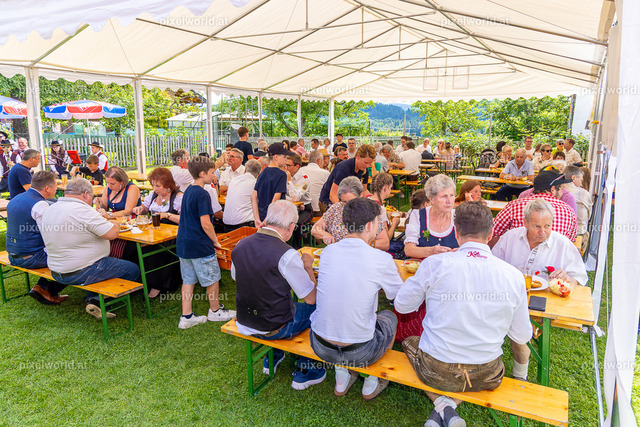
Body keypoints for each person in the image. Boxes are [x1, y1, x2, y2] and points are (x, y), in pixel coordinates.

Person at [395, 201, 532, 427]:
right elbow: (521, 336)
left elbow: (402, 306)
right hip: (487, 373)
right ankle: (446, 408)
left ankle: (442, 405)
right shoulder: (513, 276)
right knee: (469, 372)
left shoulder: (434, 264)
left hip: (436, 369)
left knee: (409, 342)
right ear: (490, 234)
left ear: (456, 233)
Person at [310, 197, 403, 399]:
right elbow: (399, 299)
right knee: (390, 316)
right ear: (369, 225)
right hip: (360, 352)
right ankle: (371, 380)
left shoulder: (327, 252)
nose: (378, 227)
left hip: (320, 345)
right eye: (378, 223)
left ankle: (342, 376)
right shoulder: (381, 259)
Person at [232, 200, 326, 390]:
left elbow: (236, 277)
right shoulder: (287, 254)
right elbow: (311, 298)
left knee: (281, 303)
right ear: (291, 227)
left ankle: (273, 356)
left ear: (267, 220)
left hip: (244, 321)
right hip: (275, 326)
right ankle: (306, 369)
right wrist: (308, 267)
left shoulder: (241, 244)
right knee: (319, 308)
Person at [40, 178, 140, 320]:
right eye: (92, 198)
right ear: (86, 194)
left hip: (56, 271)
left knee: (108, 266)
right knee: (132, 270)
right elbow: (112, 234)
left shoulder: (50, 209)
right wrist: (115, 223)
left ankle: (92, 297)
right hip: (81, 271)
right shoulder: (82, 210)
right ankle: (98, 300)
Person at [395, 174, 459, 343]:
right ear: (431, 199)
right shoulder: (418, 216)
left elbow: (468, 246)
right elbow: (409, 249)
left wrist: (458, 251)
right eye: (444, 196)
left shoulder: (458, 217)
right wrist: (432, 251)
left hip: (451, 274)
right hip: (424, 273)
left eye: (452, 195)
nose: (449, 200)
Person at [176, 155, 235, 329]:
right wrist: (215, 241)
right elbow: (206, 223)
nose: (214, 175)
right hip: (199, 243)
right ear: (202, 174)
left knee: (188, 280)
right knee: (212, 278)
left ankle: (186, 316)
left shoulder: (188, 189)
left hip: (184, 243)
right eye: (211, 172)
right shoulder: (203, 194)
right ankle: (215, 311)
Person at [492, 198, 588, 286]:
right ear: (525, 223)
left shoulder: (563, 244)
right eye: (536, 226)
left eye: (547, 226)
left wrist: (567, 279)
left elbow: (580, 278)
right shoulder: (510, 237)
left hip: (547, 298)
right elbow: (492, 265)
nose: (542, 232)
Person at [6, 171, 67, 305]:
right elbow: (50, 235)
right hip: (31, 257)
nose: (56, 189)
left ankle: (42, 287)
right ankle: (45, 289)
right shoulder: (40, 205)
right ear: (47, 188)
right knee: (73, 257)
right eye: (55, 186)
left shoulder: (15, 198)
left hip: (12, 254)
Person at [491, 170, 577, 245]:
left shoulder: (514, 206)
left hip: (516, 258)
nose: (562, 192)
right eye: (561, 188)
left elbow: (492, 232)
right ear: (553, 189)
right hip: (554, 258)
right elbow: (570, 241)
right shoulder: (568, 211)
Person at [313, 177, 389, 249]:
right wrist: (325, 234)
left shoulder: (369, 210)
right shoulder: (336, 209)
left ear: (361, 195)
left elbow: (385, 243)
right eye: (344, 201)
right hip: (338, 254)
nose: (347, 206)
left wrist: (364, 244)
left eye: (352, 201)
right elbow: (315, 228)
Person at [251, 143, 292, 227]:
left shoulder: (263, 172)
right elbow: (276, 198)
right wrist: (267, 219)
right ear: (276, 157)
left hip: (262, 216)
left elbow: (253, 196)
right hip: (275, 217)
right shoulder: (281, 174)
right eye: (284, 157)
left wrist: (257, 218)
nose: (286, 159)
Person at [223, 159, 261, 231]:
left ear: (245, 169)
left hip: (227, 225)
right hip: (244, 226)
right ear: (259, 173)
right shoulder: (255, 183)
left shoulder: (234, 180)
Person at [284, 153, 313, 249]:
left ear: (297, 166)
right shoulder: (285, 175)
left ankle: (297, 248)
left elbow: (296, 197)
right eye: (285, 165)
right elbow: (282, 194)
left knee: (298, 224)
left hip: (305, 208)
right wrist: (291, 199)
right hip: (290, 207)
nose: (286, 168)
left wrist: (289, 181)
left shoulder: (305, 178)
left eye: (288, 165)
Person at [563, 166, 592, 251]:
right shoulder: (583, 193)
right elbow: (588, 216)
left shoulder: (558, 191)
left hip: (561, 233)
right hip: (578, 234)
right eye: (581, 180)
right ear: (573, 178)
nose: (581, 184)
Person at [369, 172, 401, 240]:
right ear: (386, 188)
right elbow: (386, 238)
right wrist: (394, 224)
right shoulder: (381, 209)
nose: (390, 190)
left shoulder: (366, 199)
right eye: (390, 188)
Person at [299, 150, 330, 215]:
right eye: (322, 160)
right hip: (317, 210)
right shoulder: (325, 173)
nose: (323, 163)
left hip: (301, 208)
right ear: (318, 160)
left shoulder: (300, 170)